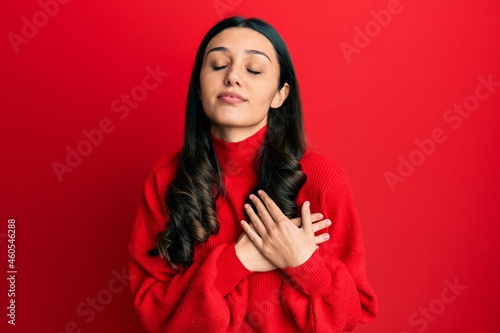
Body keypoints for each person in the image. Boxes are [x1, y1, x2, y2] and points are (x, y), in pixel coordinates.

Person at [128, 16, 378, 332]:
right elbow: (153, 313)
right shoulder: (165, 178)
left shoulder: (322, 177)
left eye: (254, 69)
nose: (232, 76)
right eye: (218, 65)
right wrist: (238, 260)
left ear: (280, 95)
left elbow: (348, 316)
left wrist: (303, 262)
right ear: (199, 89)